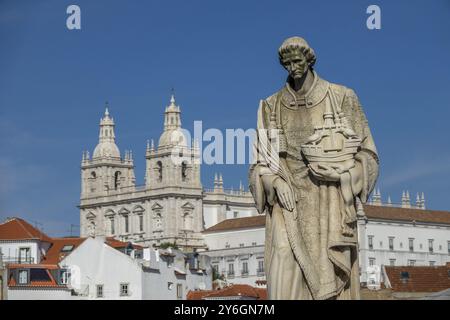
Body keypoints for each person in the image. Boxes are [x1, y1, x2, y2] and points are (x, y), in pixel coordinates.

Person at [249, 37, 379, 300]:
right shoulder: (270, 105)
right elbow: (258, 164)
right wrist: (274, 182)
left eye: (297, 61)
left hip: (328, 200)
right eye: (286, 63)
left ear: (309, 60)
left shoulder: (342, 97)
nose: (292, 68)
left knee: (329, 271)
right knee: (283, 257)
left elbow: (368, 154)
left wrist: (344, 177)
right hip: (287, 201)